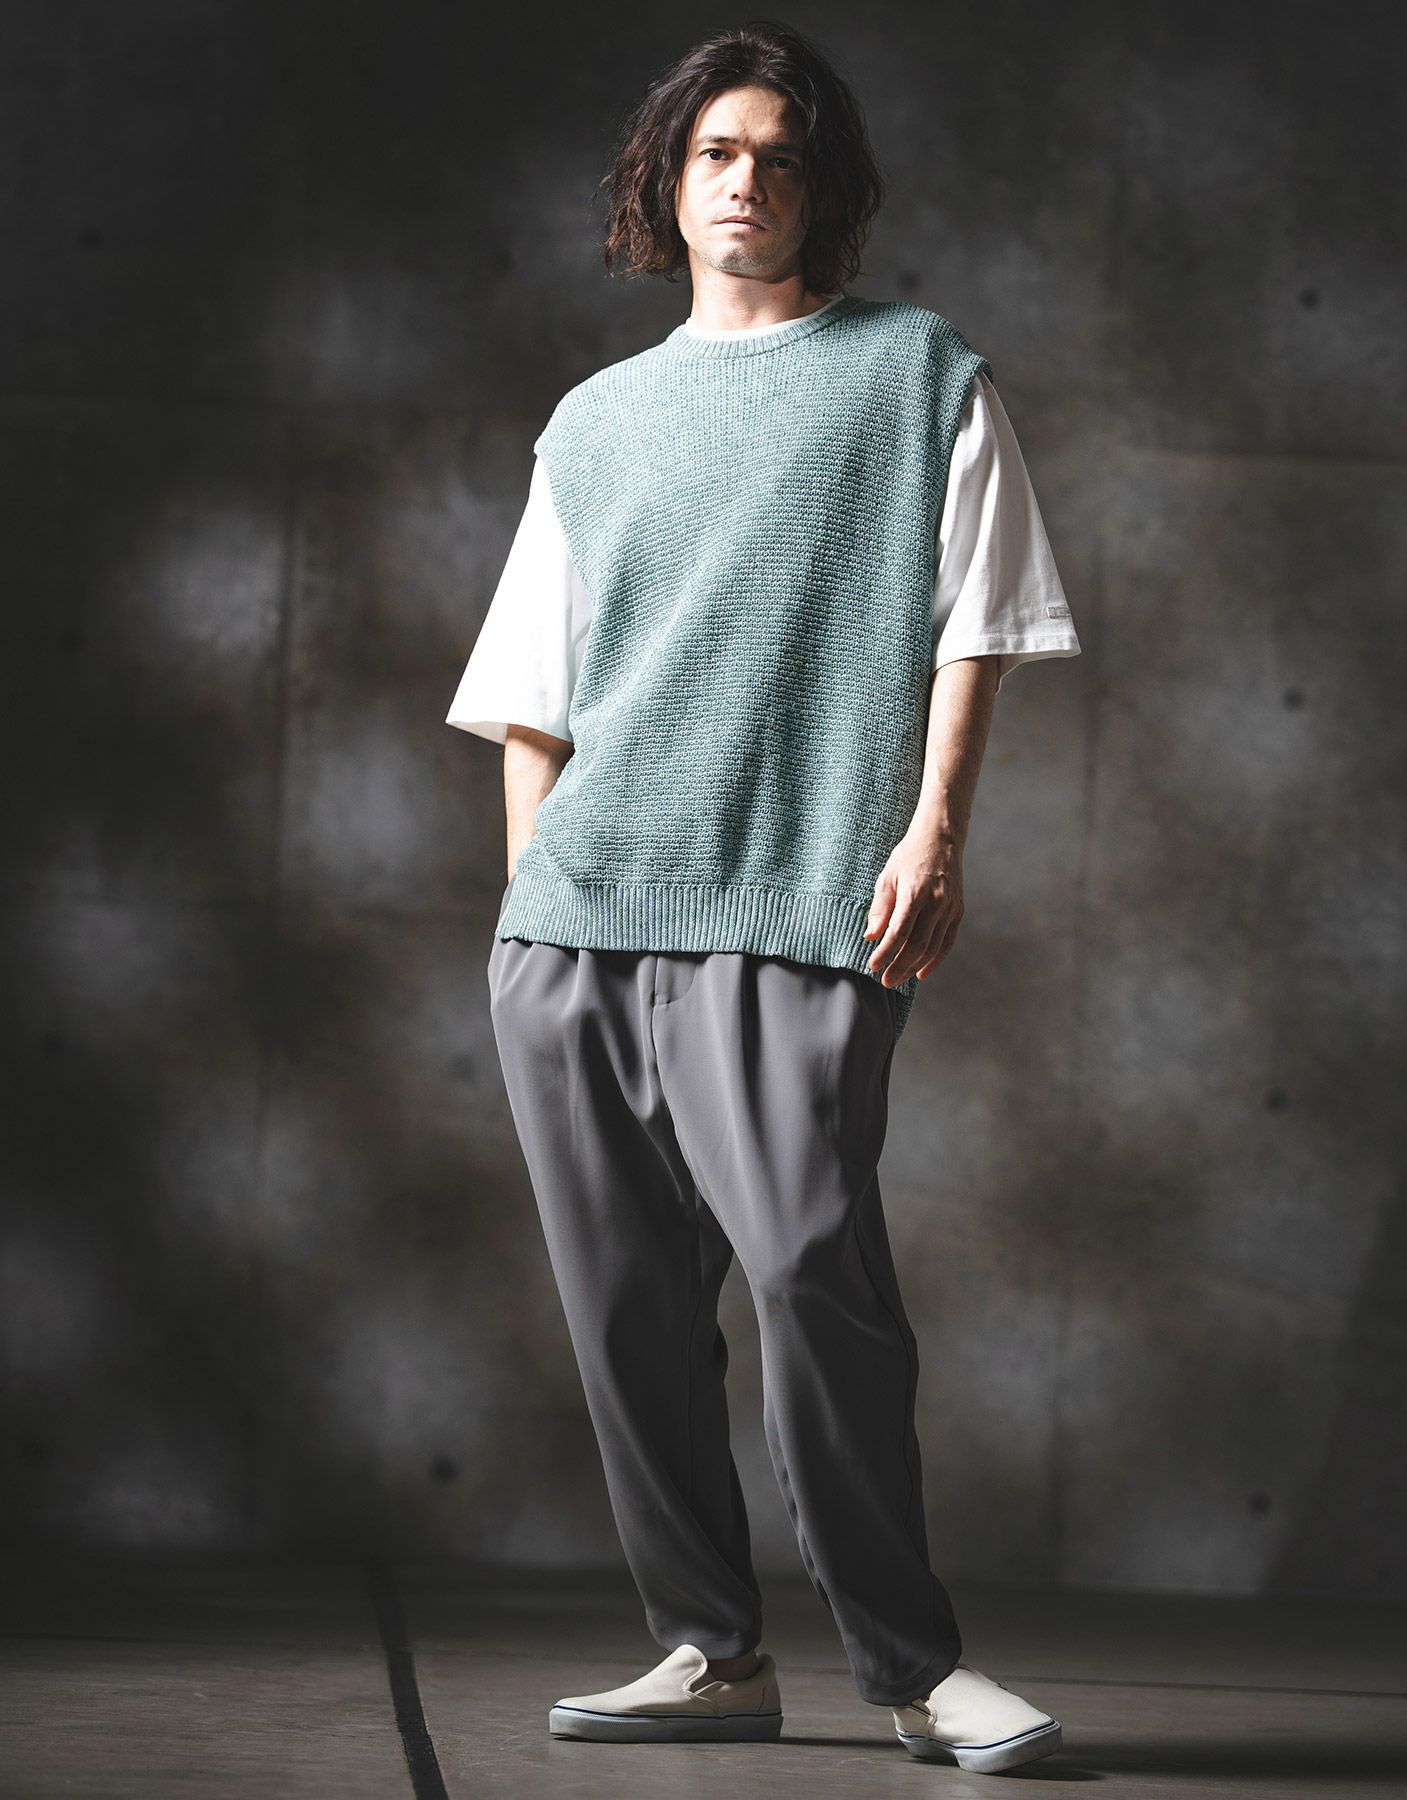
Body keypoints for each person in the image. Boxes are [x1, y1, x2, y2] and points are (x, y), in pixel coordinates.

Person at [446, 20, 1079, 1780]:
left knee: (811, 1269)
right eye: (715, 153)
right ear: (668, 180)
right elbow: (532, 694)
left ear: (825, 187)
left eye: (780, 157)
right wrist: (531, 905)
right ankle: (710, 1650)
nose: (745, 182)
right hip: (579, 919)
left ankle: (915, 1669)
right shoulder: (596, 422)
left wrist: (935, 829)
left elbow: (977, 624)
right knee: (627, 1311)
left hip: (800, 899)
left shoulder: (917, 376)